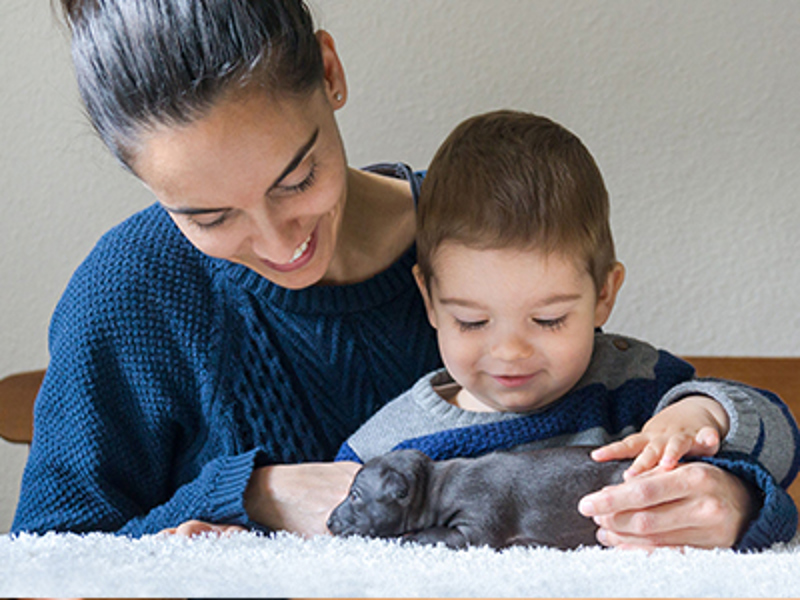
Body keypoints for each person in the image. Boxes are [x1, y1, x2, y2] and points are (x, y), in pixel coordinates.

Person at [11, 0, 796, 550]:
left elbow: (635, 422)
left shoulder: (491, 242)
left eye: (295, 178)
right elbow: (45, 558)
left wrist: (728, 496)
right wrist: (255, 496)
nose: (278, 240)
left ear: (330, 72)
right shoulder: (132, 291)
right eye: (207, 216)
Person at [336, 110, 799, 550]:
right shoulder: (391, 442)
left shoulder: (635, 386)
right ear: (430, 300)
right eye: (472, 321)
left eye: (548, 319)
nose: (510, 351)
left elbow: (779, 452)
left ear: (603, 295)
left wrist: (701, 415)